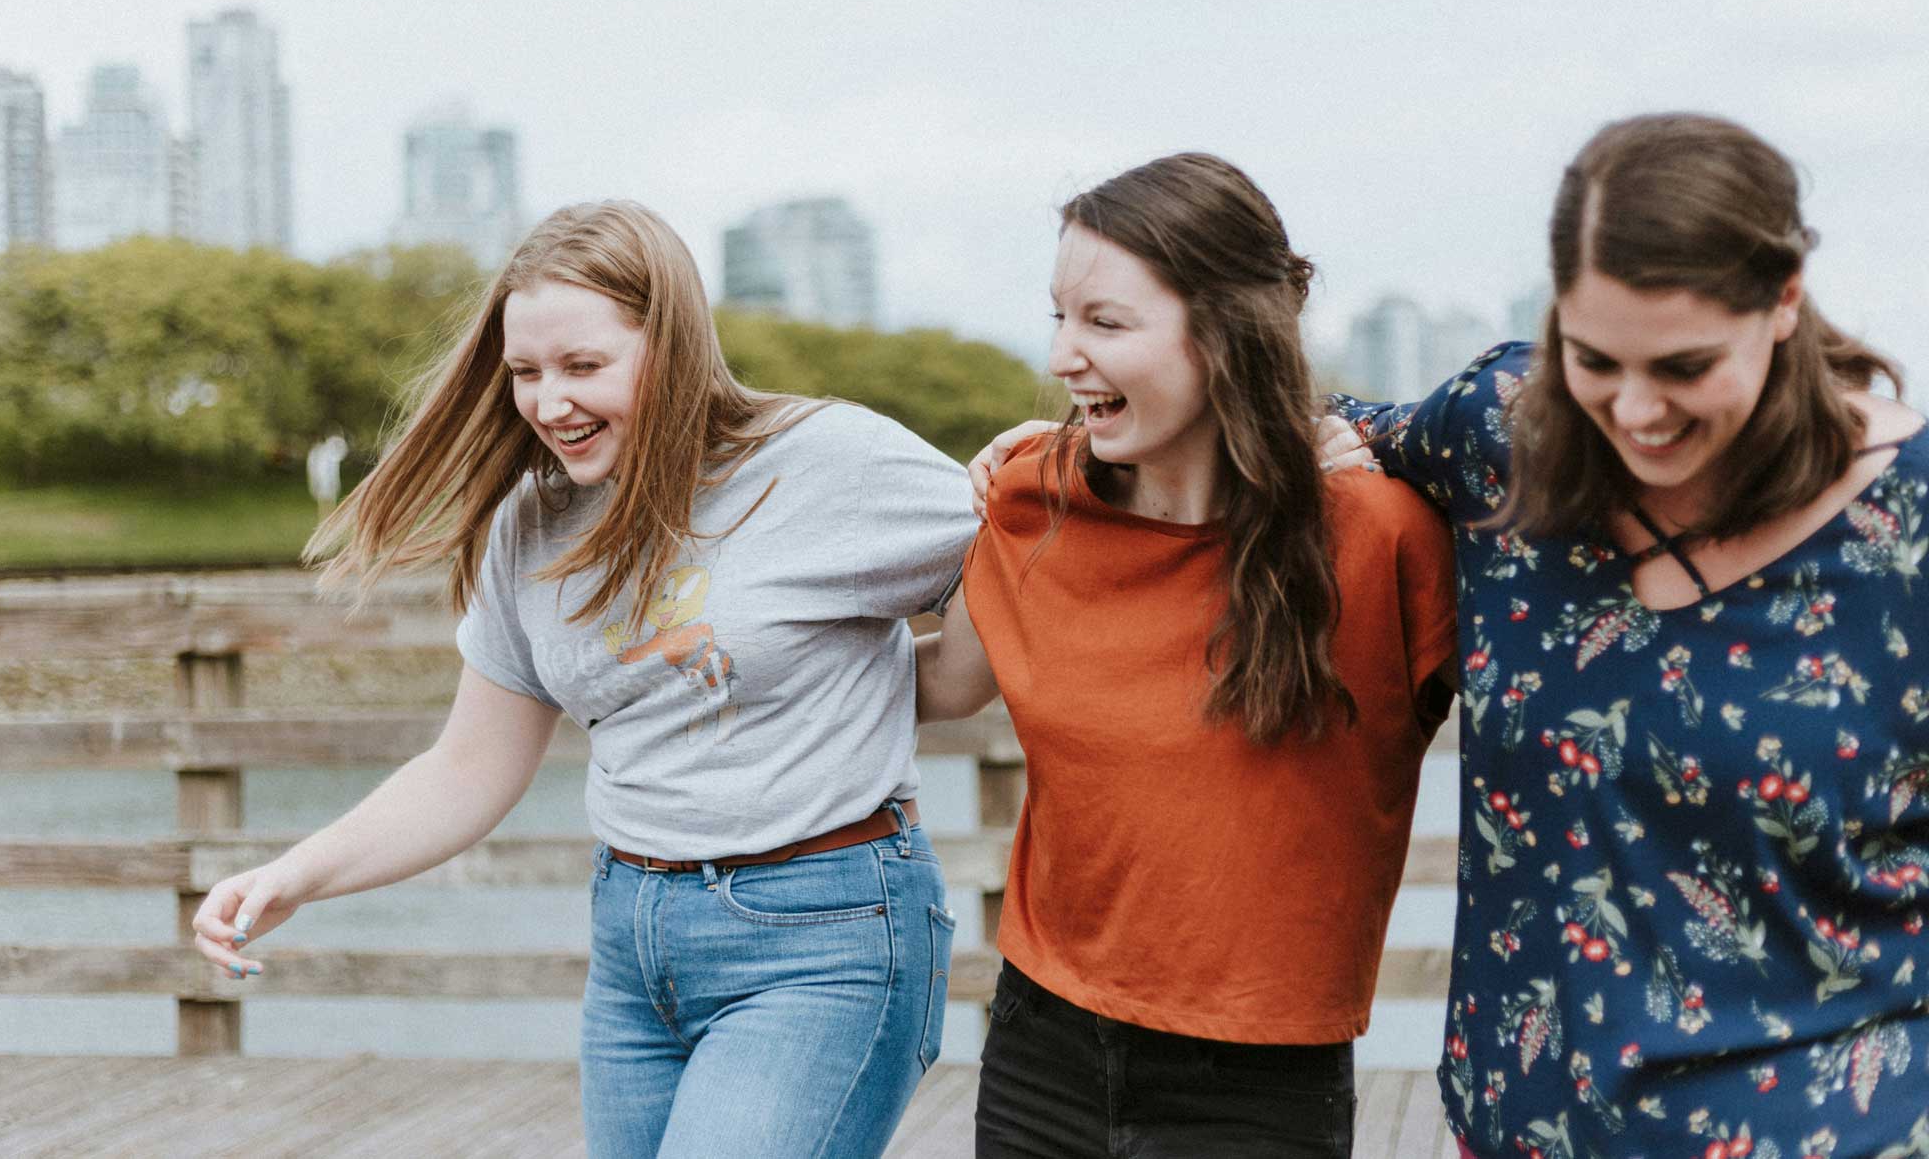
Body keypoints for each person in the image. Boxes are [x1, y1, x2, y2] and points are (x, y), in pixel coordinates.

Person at [190, 201, 977, 1159]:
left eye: (583, 366)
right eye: (525, 371)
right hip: (635, 950)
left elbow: (1020, 578)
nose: (547, 402)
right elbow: (468, 768)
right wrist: (294, 874)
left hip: (825, 939)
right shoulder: (531, 521)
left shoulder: (825, 464)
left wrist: (915, 672)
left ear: (673, 348)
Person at [1310, 114, 1929, 1157]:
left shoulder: (1906, 530)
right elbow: (1299, 429)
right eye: (1592, 358)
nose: (1633, 410)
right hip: (1516, 1130)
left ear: (1782, 301)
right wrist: (1048, 465)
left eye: (1683, 366)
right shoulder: (1503, 428)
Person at [919, 152, 1458, 1157]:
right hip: (1041, 1043)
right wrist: (720, 663)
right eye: (1059, 317)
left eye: (1106, 323)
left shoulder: (1381, 535)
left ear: (1224, 334)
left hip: (1257, 1083)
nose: (1066, 354)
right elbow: (943, 683)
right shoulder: (1031, 498)